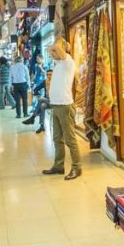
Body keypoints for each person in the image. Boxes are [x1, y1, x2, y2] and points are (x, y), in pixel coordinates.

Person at [42, 39, 81, 179]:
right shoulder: (58, 64)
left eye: (56, 50)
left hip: (65, 106)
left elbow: (56, 47)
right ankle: (58, 166)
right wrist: (53, 48)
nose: (53, 52)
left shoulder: (68, 62)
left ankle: (77, 167)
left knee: (70, 139)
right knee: (57, 138)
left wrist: (60, 43)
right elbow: (50, 49)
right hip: (56, 105)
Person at [22, 62, 48, 133]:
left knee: (41, 100)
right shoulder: (46, 81)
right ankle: (42, 126)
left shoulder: (55, 82)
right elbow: (36, 88)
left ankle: (33, 117)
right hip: (48, 101)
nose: (49, 76)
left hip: (56, 101)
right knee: (42, 106)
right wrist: (36, 92)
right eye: (48, 75)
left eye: (51, 75)